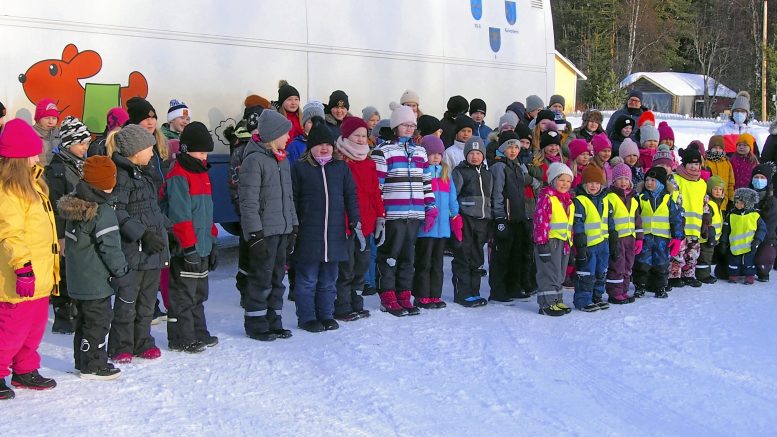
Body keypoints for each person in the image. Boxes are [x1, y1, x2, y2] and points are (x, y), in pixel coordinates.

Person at [0, 119, 60, 399]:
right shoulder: (9, 190)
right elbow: (10, 233)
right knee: (11, 329)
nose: (37, 158)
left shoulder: (35, 183)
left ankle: (24, 369)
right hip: (19, 275)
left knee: (34, 329)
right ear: (17, 158)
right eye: (32, 154)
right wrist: (23, 268)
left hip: (42, 274)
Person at [58, 155, 130, 380]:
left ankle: (82, 360)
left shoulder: (76, 206)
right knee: (98, 323)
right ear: (107, 183)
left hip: (77, 279)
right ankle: (94, 364)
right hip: (96, 282)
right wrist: (122, 273)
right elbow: (110, 249)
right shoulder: (102, 212)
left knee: (83, 322)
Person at [108, 125, 170, 362]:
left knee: (146, 302)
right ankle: (121, 344)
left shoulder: (145, 174)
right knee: (127, 301)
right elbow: (118, 211)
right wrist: (142, 234)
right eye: (149, 149)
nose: (153, 154)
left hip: (152, 251)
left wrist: (168, 228)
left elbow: (152, 209)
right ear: (135, 151)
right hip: (133, 251)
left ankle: (143, 340)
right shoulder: (121, 176)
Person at [292, 119, 361, 332]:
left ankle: (326, 315)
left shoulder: (340, 168)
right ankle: (307, 317)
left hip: (334, 234)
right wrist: (295, 226)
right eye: (320, 144)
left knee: (329, 281)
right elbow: (293, 198)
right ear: (311, 147)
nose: (324, 148)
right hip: (309, 234)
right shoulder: (300, 168)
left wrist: (354, 220)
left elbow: (351, 195)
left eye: (328, 145)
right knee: (307, 280)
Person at [370, 105, 436, 317]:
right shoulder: (383, 151)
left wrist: (430, 206)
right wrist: (379, 214)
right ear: (395, 126)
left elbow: (426, 181)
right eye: (404, 125)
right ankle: (388, 295)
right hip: (393, 214)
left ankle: (404, 294)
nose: (409, 129)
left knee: (408, 256)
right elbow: (376, 187)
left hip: (414, 213)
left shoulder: (420, 152)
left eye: (412, 125)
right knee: (390, 255)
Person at [239, 109, 298, 341]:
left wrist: (293, 225)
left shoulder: (282, 160)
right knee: (260, 279)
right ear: (274, 135)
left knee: (276, 280)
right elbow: (248, 201)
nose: (288, 138)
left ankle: (274, 320)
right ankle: (256, 322)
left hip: (282, 230)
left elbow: (289, 197)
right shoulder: (254, 160)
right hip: (265, 232)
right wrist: (255, 235)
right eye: (285, 134)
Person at [162, 122, 219, 352]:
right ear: (186, 150)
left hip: (202, 245)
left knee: (199, 292)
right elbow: (180, 215)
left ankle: (198, 331)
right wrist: (188, 248)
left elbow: (208, 212)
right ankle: (180, 337)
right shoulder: (179, 174)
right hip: (186, 248)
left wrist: (212, 241)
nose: (204, 157)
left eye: (206, 153)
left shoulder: (202, 174)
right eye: (201, 152)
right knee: (183, 294)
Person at [333, 117, 385, 321]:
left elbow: (374, 191)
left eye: (364, 136)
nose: (362, 139)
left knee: (362, 264)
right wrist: (348, 223)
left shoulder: (369, 163)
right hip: (347, 224)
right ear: (346, 136)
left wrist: (380, 216)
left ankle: (356, 301)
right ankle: (342, 305)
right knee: (346, 265)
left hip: (367, 223)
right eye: (357, 135)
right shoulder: (339, 162)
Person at [45, 116, 91, 334]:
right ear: (69, 143)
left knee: (77, 270)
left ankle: (76, 310)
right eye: (81, 143)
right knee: (64, 272)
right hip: (65, 229)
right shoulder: (58, 169)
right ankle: (63, 317)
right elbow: (55, 206)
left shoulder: (80, 164)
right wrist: (60, 236)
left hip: (80, 228)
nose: (85, 147)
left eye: (87, 143)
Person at [413, 135, 460, 309]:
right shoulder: (422, 173)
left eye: (438, 154)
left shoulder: (446, 174)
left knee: (438, 263)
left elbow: (452, 197)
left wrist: (454, 214)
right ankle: (421, 295)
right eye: (431, 153)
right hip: (426, 228)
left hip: (443, 228)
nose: (435, 157)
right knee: (424, 262)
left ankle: (435, 295)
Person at [489, 132, 534, 302]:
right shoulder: (499, 167)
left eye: (516, 146)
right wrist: (500, 217)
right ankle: (498, 291)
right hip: (505, 218)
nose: (513, 150)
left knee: (517, 254)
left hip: (518, 218)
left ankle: (514, 287)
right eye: (509, 146)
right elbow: (497, 194)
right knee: (502, 256)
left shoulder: (517, 166)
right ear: (502, 148)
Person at [451, 137, 491, 307]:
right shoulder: (460, 172)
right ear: (466, 154)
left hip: (482, 221)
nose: (475, 157)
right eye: (471, 153)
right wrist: (455, 216)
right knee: (463, 255)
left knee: (477, 257)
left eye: (478, 153)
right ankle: (463, 293)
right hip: (465, 219)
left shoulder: (487, 174)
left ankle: (474, 291)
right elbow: (454, 195)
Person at [633, 167, 683, 298]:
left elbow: (676, 219)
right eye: (647, 180)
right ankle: (640, 286)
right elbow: (635, 217)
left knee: (661, 264)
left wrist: (677, 238)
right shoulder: (641, 198)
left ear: (660, 183)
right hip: (645, 238)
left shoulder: (668, 200)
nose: (649, 183)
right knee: (642, 263)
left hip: (662, 239)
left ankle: (660, 287)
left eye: (653, 180)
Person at [534, 162, 574, 316]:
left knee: (559, 273)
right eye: (561, 180)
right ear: (552, 180)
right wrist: (542, 243)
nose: (565, 184)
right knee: (548, 272)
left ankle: (557, 300)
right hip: (549, 242)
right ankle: (547, 304)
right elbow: (540, 221)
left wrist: (569, 242)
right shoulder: (547, 198)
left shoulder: (568, 201)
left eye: (568, 181)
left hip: (563, 242)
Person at [572, 165, 614, 312]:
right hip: (588, 245)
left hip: (603, 243)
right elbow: (577, 224)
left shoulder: (605, 200)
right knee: (586, 273)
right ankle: (583, 300)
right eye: (590, 183)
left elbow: (610, 220)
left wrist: (613, 237)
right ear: (584, 184)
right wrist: (580, 244)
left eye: (597, 183)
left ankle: (597, 296)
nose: (594, 186)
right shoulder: (580, 201)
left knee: (601, 271)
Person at [668, 146, 708, 288]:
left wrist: (706, 222)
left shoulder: (702, 183)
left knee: (693, 252)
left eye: (696, 164)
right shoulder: (676, 179)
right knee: (678, 252)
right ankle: (674, 275)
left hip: (695, 226)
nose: (693, 167)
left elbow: (705, 203)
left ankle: (689, 274)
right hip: (680, 225)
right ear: (684, 164)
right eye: (690, 164)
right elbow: (673, 201)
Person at [605, 163, 642, 304]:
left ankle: (624, 290)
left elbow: (637, 221)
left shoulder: (633, 200)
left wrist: (639, 238)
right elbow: (608, 219)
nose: (623, 182)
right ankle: (614, 293)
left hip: (630, 239)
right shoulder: (610, 198)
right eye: (620, 179)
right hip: (617, 238)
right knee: (617, 266)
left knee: (628, 265)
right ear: (614, 181)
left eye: (626, 179)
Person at [721, 188, 766, 284]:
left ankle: (749, 276)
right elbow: (726, 230)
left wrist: (757, 240)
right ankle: (733, 275)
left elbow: (762, 229)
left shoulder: (755, 215)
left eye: (741, 203)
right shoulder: (731, 215)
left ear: (748, 203)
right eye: (736, 202)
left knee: (749, 261)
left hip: (750, 245)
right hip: (735, 245)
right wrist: (724, 242)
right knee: (734, 261)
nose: (738, 205)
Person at [696, 176, 725, 284]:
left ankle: (704, 273)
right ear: (710, 189)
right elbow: (707, 221)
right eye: (715, 189)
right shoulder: (710, 204)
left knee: (708, 256)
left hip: (712, 237)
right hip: (707, 237)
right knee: (705, 257)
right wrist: (711, 235)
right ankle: (703, 275)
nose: (718, 192)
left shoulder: (717, 203)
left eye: (720, 189)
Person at [750, 164, 777, 281]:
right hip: (744, 236)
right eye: (756, 177)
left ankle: (763, 269)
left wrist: (757, 240)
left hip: (765, 238)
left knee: (764, 258)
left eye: (762, 178)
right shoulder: (745, 196)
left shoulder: (772, 201)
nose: (759, 180)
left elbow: (770, 226)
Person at [705, 135, 736, 203]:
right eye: (715, 148)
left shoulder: (727, 163)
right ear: (710, 148)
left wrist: (731, 198)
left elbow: (731, 183)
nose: (717, 150)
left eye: (720, 148)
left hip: (724, 201)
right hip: (709, 201)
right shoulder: (706, 162)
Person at [32, 98, 61, 166]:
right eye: (47, 118)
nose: (51, 122)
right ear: (38, 119)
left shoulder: (60, 134)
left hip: (56, 175)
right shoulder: (30, 134)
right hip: (37, 174)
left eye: (54, 118)